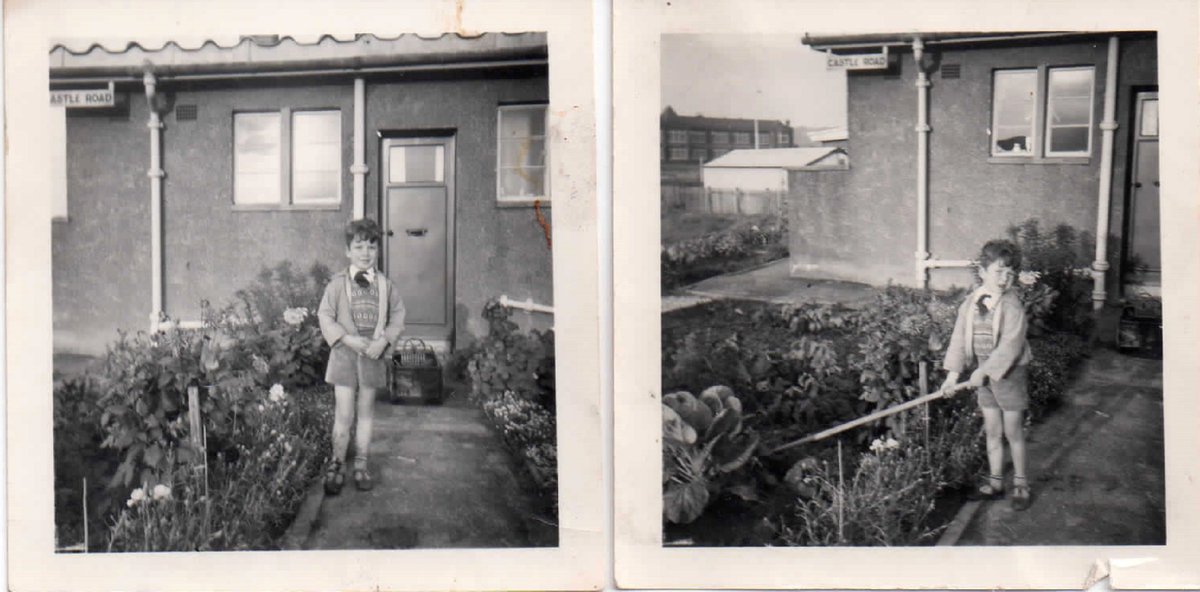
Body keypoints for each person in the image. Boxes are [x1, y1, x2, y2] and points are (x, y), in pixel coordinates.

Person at [940, 239, 1033, 511]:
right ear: (982, 272)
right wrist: (952, 376)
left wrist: (984, 371)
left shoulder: (1012, 305)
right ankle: (995, 483)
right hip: (984, 375)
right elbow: (959, 339)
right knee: (992, 430)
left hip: (1010, 374)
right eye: (998, 272)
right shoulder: (971, 303)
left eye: (1010, 274)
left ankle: (1021, 483)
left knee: (1012, 431)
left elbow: (1011, 345)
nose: (1005, 279)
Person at [317, 218, 405, 494]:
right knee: (344, 413)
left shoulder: (385, 285)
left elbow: (398, 316)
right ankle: (337, 462)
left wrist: (385, 341)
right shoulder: (336, 285)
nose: (365, 253)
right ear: (348, 251)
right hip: (344, 355)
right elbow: (325, 316)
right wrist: (346, 338)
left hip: (372, 356)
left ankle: (361, 464)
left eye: (371, 246)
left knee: (365, 413)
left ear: (378, 249)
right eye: (359, 247)